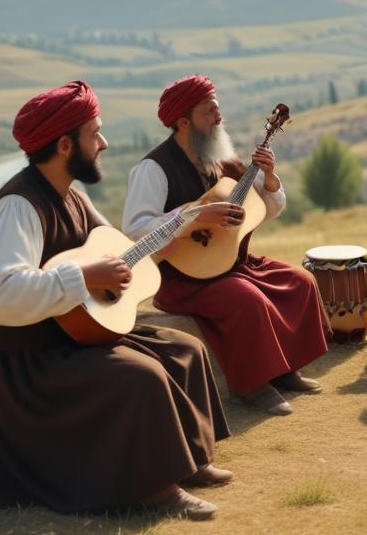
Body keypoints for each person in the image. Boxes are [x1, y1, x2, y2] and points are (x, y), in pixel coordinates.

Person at [0, 80, 229, 520]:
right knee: (140, 377)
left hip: (67, 338)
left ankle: (188, 460)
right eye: (95, 133)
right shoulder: (17, 207)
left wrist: (185, 222)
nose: (104, 143)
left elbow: (122, 250)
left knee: (184, 350)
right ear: (65, 144)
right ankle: (156, 490)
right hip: (25, 365)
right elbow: (2, 297)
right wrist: (85, 276)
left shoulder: (72, 194)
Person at [124, 75, 329, 416]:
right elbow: (135, 231)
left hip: (234, 263)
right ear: (183, 122)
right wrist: (196, 218)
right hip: (185, 276)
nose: (219, 118)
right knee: (246, 300)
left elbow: (269, 209)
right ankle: (248, 387)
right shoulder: (153, 168)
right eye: (209, 112)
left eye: (218, 110)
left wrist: (271, 178)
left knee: (300, 282)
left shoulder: (227, 161)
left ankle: (282, 368)